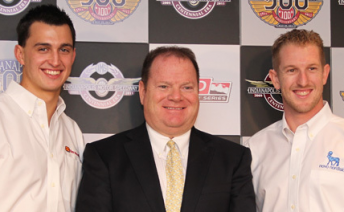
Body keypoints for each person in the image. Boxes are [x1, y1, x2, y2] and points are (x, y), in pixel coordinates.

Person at [76, 46, 255, 212]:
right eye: (164, 86)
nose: (176, 96)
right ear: (143, 92)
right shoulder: (104, 157)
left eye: (186, 87)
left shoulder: (233, 160)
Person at [244, 29, 344, 212]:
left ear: (325, 74)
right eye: (291, 70)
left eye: (311, 69)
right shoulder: (256, 147)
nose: (303, 81)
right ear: (275, 79)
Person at [0, 5, 85, 212]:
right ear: (20, 54)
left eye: (63, 49)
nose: (55, 61)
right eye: (43, 49)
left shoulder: (72, 131)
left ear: (73, 56)